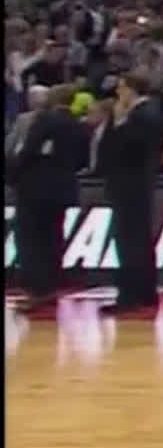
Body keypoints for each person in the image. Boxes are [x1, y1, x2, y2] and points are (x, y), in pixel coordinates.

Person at [10, 84, 88, 314]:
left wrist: (12, 175)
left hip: (35, 188)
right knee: (53, 237)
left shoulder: (45, 120)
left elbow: (28, 150)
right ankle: (51, 288)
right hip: (62, 189)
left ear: (53, 98)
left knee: (31, 240)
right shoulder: (78, 125)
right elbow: (82, 159)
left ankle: (36, 291)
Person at [97, 69, 163, 315]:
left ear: (132, 89)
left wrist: (119, 123)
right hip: (125, 184)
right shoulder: (129, 114)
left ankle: (132, 296)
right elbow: (106, 150)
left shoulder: (147, 114)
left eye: (121, 87)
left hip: (134, 185)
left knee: (132, 241)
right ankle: (142, 295)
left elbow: (130, 148)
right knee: (132, 240)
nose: (118, 93)